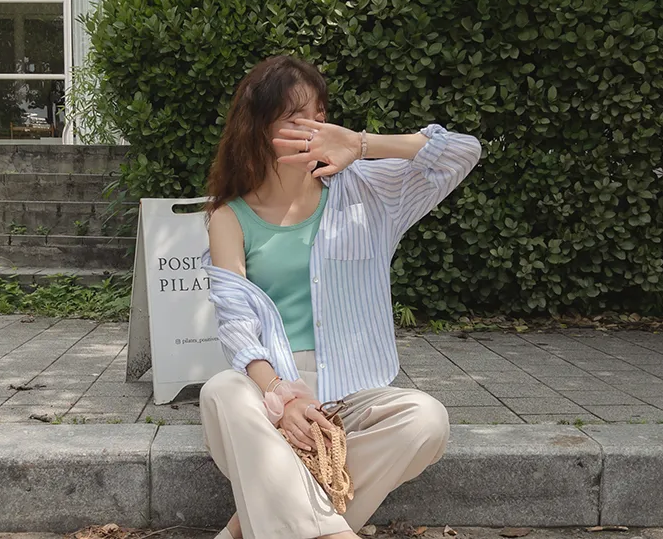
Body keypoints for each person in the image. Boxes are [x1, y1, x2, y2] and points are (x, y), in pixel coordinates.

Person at [199, 55, 483, 539]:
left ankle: (253, 525)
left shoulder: (370, 192)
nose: (315, 127)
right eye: (296, 117)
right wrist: (281, 397)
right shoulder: (230, 216)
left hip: (352, 399)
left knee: (426, 419)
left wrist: (361, 144)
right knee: (222, 391)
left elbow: (461, 150)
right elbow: (236, 324)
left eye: (320, 115)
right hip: (270, 396)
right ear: (259, 127)